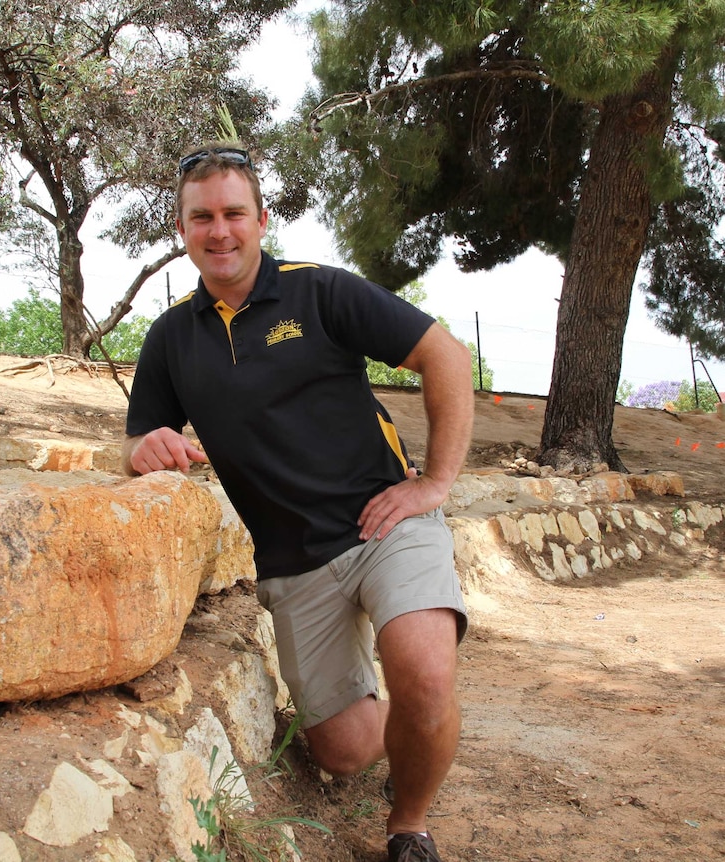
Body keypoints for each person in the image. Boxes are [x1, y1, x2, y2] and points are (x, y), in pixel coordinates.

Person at [122, 142, 474, 862]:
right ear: (181, 229)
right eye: (202, 218)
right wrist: (143, 449)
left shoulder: (321, 290)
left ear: (262, 220)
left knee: (427, 674)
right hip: (294, 562)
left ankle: (409, 822)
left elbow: (444, 355)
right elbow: (136, 441)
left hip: (386, 524)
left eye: (234, 214)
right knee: (343, 753)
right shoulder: (169, 339)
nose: (220, 231)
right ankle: (415, 727)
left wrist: (433, 484)